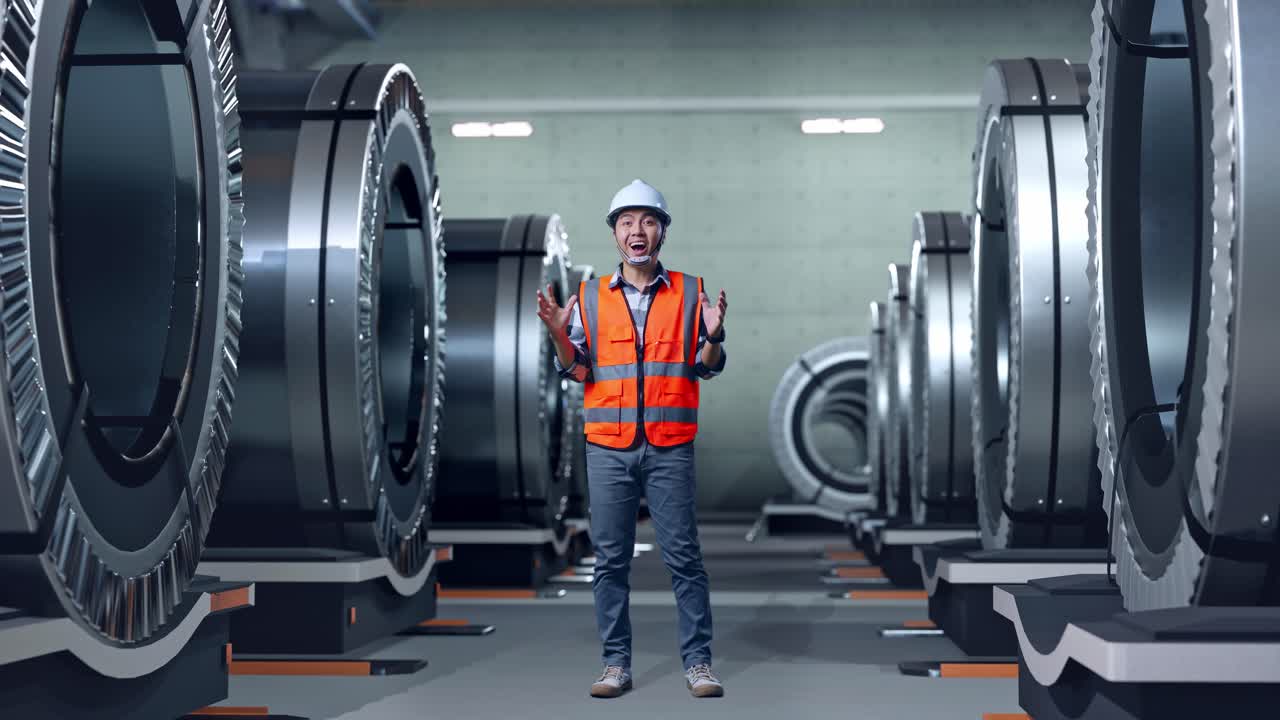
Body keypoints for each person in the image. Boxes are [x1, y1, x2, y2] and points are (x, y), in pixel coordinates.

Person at [535, 179, 728, 699]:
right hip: (609, 447)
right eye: (626, 222)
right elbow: (577, 371)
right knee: (611, 559)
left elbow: (706, 368)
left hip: (670, 445)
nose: (636, 231)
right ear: (615, 234)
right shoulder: (590, 297)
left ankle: (699, 664)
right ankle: (615, 664)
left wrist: (712, 335)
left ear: (661, 231)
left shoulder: (690, 292)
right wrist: (558, 332)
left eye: (647, 221)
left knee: (684, 557)